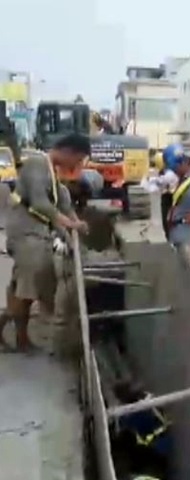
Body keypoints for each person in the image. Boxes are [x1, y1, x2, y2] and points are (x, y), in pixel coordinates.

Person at [0, 133, 90, 352]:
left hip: (37, 233)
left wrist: (71, 234)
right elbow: (41, 205)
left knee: (26, 288)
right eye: (77, 160)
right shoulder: (37, 165)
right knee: (33, 282)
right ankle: (8, 329)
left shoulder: (54, 175)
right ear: (68, 152)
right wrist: (70, 224)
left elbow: (61, 208)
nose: (76, 166)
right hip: (25, 233)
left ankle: (21, 338)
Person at [146, 151, 178, 240]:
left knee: (168, 221)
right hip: (169, 197)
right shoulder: (167, 171)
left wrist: (152, 179)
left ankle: (172, 239)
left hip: (170, 198)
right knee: (167, 222)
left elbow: (163, 181)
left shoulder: (170, 173)